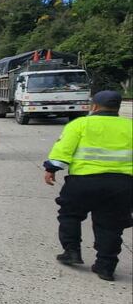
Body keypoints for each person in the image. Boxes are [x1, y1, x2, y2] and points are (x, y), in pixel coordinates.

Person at [43, 91, 132, 281]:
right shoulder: (130, 126)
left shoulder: (81, 124)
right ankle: (106, 266)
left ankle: (72, 251)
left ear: (94, 106)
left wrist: (51, 169)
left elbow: (63, 149)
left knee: (70, 215)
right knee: (111, 225)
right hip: (121, 184)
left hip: (83, 181)